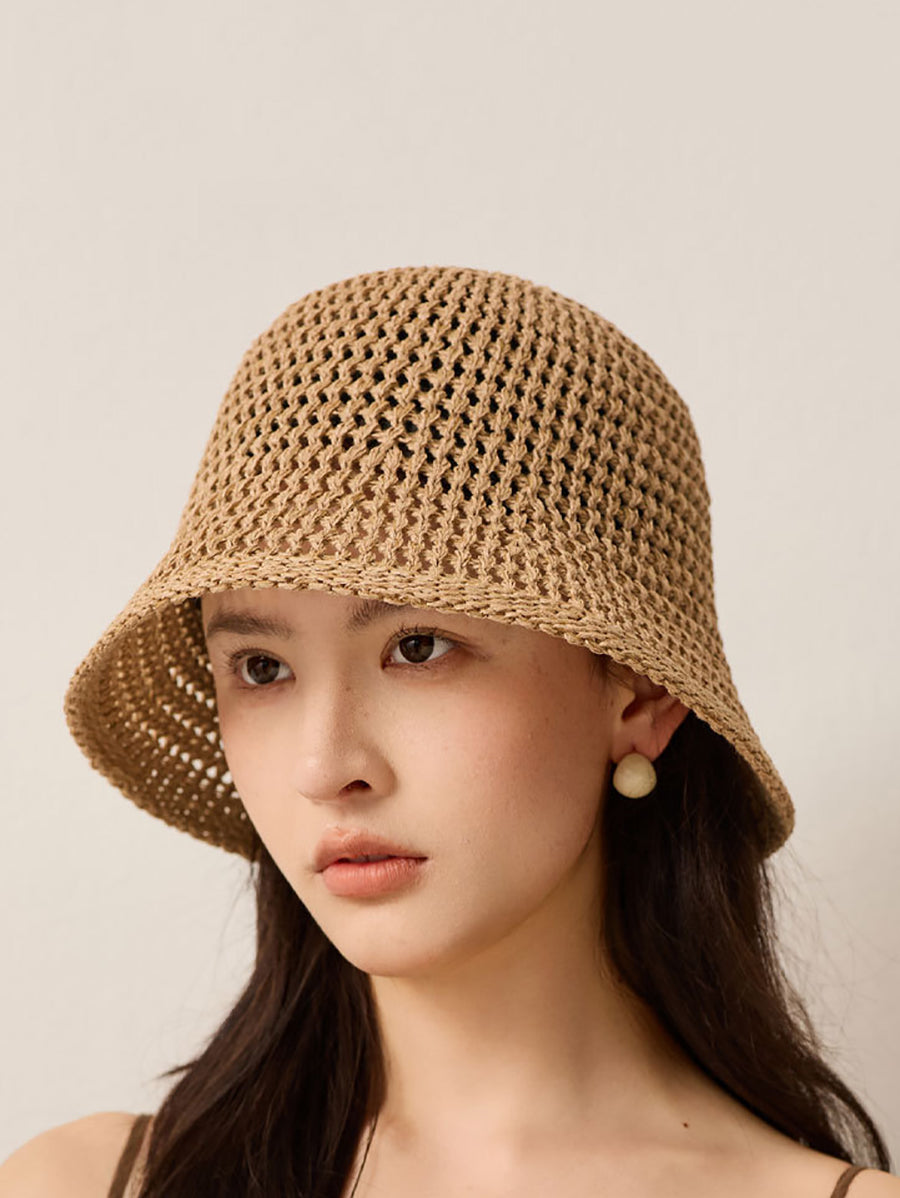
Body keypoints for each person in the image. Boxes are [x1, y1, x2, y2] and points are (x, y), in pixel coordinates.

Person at [1, 264, 895, 1198]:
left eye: (418, 647)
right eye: (262, 668)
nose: (324, 766)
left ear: (637, 695)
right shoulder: (83, 1184)